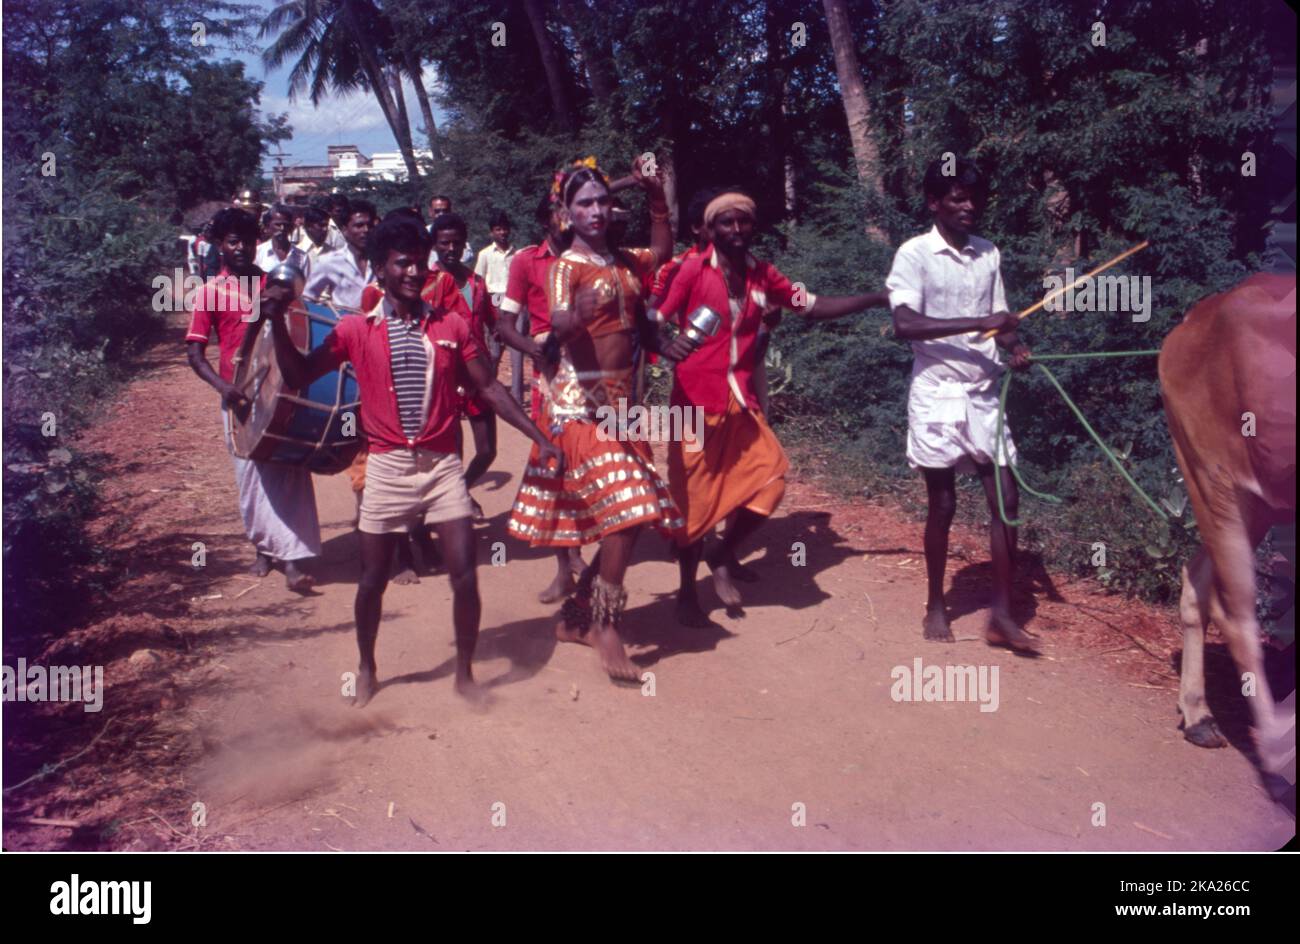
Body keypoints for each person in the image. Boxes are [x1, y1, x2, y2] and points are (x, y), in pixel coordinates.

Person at [267, 215, 563, 707]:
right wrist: (276, 321)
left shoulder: (451, 325)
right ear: (380, 270)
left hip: (442, 466)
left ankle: (465, 672)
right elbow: (297, 375)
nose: (414, 272)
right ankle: (367, 665)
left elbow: (488, 387)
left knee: (465, 572)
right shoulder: (354, 329)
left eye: (419, 263)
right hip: (385, 468)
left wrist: (540, 438)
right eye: (402, 263)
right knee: (371, 581)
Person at [659, 190, 890, 625]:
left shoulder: (763, 275)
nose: (736, 230)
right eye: (725, 223)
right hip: (692, 403)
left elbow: (812, 304)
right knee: (694, 498)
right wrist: (665, 345)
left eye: (743, 222)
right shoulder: (691, 270)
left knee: (770, 480)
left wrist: (876, 298)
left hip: (739, 398)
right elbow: (654, 318)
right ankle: (687, 594)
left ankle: (722, 551)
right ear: (710, 229)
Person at [507, 157, 692, 681]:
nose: (595, 210)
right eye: (583, 203)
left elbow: (661, 251)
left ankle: (576, 614)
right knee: (631, 512)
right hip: (579, 409)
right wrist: (576, 313)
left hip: (623, 411)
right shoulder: (565, 267)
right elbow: (560, 326)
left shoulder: (627, 261)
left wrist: (657, 194)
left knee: (631, 521)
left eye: (601, 201)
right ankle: (604, 626)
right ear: (565, 213)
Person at [886, 157, 1036, 652]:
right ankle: (935, 603)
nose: (969, 206)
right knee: (943, 504)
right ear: (934, 203)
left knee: (1007, 501)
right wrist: (977, 322)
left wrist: (1013, 344)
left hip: (983, 392)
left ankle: (1001, 614)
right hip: (936, 392)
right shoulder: (914, 254)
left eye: (974, 198)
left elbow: (1002, 321)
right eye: (957, 198)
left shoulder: (988, 253)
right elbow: (904, 325)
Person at [184, 208, 320, 592]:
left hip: (279, 393)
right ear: (219, 246)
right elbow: (194, 354)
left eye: (246, 240)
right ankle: (264, 548)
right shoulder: (210, 292)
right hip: (237, 400)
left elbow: (299, 334)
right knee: (251, 479)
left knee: (288, 472)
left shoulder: (273, 285)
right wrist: (224, 388)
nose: (241, 247)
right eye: (232, 241)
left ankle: (292, 560)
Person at [432, 212, 498, 519]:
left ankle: (462, 489)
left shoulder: (477, 282)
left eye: (456, 243)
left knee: (487, 450)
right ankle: (455, 506)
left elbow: (494, 325)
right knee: (452, 451)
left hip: (478, 373)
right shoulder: (427, 284)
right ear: (435, 244)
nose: (451, 249)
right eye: (444, 243)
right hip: (444, 376)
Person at [473, 210, 518, 395]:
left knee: (516, 349)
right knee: (495, 351)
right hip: (493, 302)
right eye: (498, 229)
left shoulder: (517, 254)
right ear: (492, 232)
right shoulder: (485, 254)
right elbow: (478, 281)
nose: (502, 233)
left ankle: (516, 395)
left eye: (505, 229)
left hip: (514, 303)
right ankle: (490, 388)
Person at [304, 200, 378, 311]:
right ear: (344, 230)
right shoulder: (329, 261)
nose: (366, 230)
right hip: (345, 324)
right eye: (359, 226)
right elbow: (307, 298)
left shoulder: (383, 260)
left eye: (370, 225)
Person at [255, 204, 312, 279]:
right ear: (268, 226)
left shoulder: (302, 257)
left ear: (291, 227)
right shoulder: (258, 253)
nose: (282, 229)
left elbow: (306, 287)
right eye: (278, 225)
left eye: (286, 225)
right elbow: (249, 286)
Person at [427, 195, 475, 264]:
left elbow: (466, 257)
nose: (441, 214)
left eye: (445, 211)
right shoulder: (423, 234)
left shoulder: (457, 233)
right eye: (437, 211)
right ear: (430, 212)